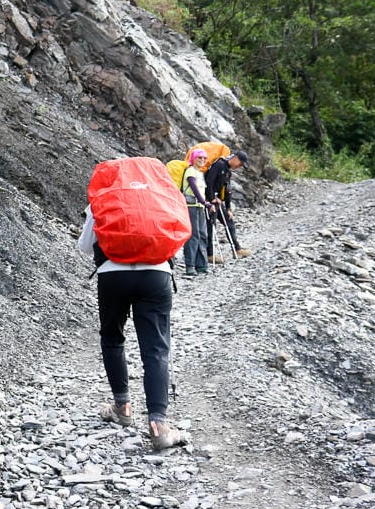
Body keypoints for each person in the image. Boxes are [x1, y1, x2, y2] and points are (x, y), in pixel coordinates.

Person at [78, 207, 189, 450]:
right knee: (156, 349)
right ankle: (159, 425)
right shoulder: (158, 194)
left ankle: (122, 407)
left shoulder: (104, 195)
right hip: (156, 273)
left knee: (112, 337)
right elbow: (177, 245)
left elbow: (85, 246)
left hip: (112, 274)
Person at [204, 149, 252, 260]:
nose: (239, 166)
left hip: (218, 202)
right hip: (210, 202)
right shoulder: (218, 165)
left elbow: (227, 190)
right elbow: (209, 182)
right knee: (211, 226)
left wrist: (229, 208)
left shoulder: (227, 171)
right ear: (235, 158)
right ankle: (209, 254)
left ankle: (237, 248)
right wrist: (212, 198)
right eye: (240, 163)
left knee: (229, 221)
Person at [180, 148, 212, 276]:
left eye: (204, 158)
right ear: (193, 159)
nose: (202, 160)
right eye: (200, 158)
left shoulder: (200, 173)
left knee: (202, 235)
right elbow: (194, 189)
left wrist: (205, 203)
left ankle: (202, 265)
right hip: (191, 206)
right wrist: (204, 202)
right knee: (193, 236)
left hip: (200, 207)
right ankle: (190, 266)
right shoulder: (190, 171)